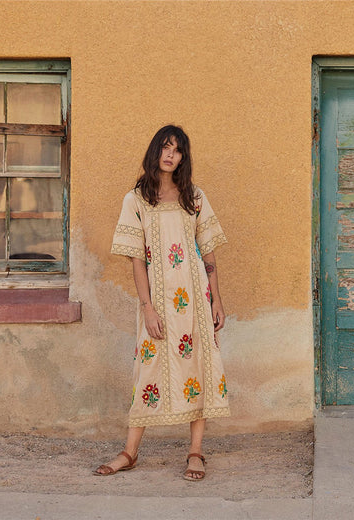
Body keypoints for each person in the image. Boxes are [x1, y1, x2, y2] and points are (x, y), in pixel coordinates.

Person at [93, 125, 230, 481]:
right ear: (155, 151)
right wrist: (147, 307)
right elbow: (137, 259)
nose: (171, 154)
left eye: (178, 150)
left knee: (198, 365)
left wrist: (217, 299)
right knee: (148, 370)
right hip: (158, 303)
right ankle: (129, 452)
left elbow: (209, 252)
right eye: (165, 147)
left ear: (183, 158)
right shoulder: (136, 200)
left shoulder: (194, 197)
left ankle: (196, 452)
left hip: (196, 299)